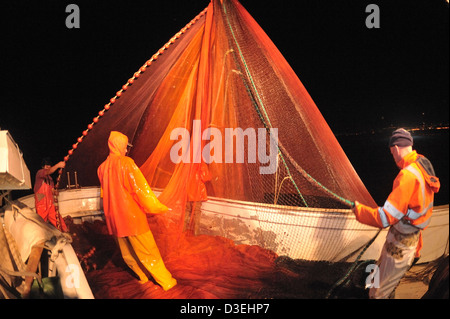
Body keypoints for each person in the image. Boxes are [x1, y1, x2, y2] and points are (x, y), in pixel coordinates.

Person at [352, 128, 440, 299]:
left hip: (399, 250)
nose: (393, 158)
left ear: (397, 148)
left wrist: (359, 210)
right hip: (408, 242)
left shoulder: (406, 176)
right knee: (379, 280)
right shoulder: (422, 165)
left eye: (392, 153)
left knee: (378, 293)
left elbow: (385, 218)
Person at [97, 131, 177, 291]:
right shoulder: (126, 163)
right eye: (125, 146)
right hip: (132, 218)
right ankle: (167, 282)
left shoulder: (101, 168)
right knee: (148, 251)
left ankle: (142, 277)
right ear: (118, 145)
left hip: (114, 219)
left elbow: (103, 194)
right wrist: (158, 207)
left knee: (127, 253)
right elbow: (140, 190)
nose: (126, 150)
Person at [34, 157, 68, 232]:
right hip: (41, 205)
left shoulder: (50, 179)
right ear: (43, 166)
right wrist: (58, 165)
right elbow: (48, 171)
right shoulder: (40, 173)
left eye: (49, 165)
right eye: (46, 165)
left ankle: (66, 233)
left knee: (58, 220)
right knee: (41, 226)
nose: (48, 167)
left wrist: (55, 192)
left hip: (50, 205)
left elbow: (52, 190)